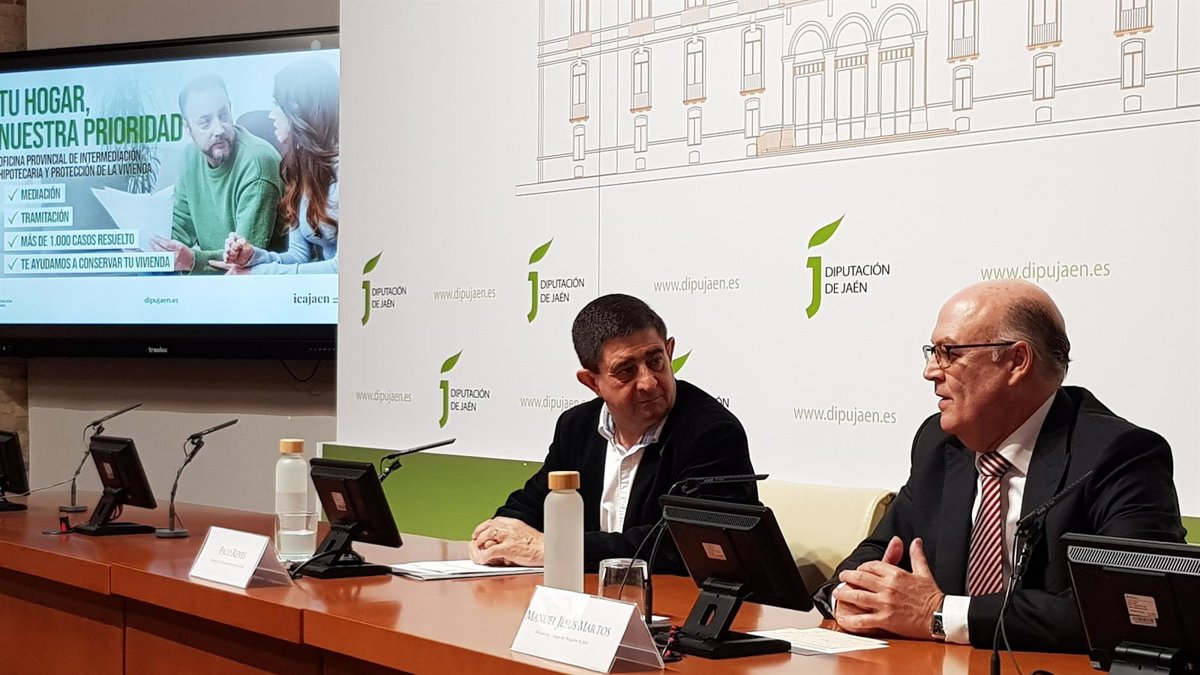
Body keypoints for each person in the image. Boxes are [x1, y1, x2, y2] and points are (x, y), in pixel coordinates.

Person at [815, 280, 1185, 652]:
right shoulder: (939, 444)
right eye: (932, 352)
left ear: (1017, 361)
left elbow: (1130, 605)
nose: (930, 371)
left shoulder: (1119, 455)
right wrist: (848, 595)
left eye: (949, 353)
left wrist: (938, 613)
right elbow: (877, 551)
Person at [469, 294, 758, 573]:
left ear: (669, 351)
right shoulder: (576, 427)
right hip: (591, 597)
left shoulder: (711, 433)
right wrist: (499, 533)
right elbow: (535, 501)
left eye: (655, 361)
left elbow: (686, 544)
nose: (648, 382)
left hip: (672, 598)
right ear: (592, 382)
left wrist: (558, 549)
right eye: (626, 371)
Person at [151, 74, 284, 274]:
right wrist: (150, 245)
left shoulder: (258, 164)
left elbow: (243, 260)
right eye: (205, 122)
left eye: (223, 116)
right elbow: (180, 227)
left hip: (257, 282)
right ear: (188, 128)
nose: (219, 129)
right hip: (213, 281)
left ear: (231, 108)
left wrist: (192, 260)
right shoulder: (189, 157)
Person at [221, 57, 339, 274]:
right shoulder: (303, 169)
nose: (271, 115)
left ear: (299, 111)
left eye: (277, 104)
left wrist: (258, 274)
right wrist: (253, 257)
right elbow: (299, 256)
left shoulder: (347, 173)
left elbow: (342, 267)